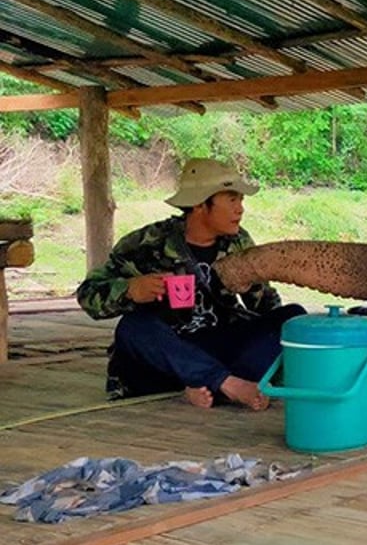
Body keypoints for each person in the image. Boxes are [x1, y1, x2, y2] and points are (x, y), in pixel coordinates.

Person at [76, 158, 306, 410]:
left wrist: (252, 282)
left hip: (217, 346)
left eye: (241, 200)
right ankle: (226, 385)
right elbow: (88, 296)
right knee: (133, 328)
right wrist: (131, 289)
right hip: (166, 353)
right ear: (199, 204)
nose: (240, 209)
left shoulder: (238, 242)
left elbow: (266, 309)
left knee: (292, 318)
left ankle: (210, 384)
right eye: (232, 200)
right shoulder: (145, 243)